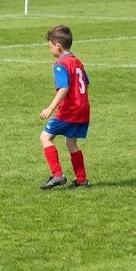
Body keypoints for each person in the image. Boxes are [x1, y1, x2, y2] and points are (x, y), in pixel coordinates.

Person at [38, 25, 91, 190]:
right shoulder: (77, 62)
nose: (50, 50)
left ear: (57, 45)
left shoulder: (60, 64)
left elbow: (64, 87)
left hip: (70, 110)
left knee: (45, 138)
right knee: (71, 143)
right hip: (83, 108)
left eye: (50, 46)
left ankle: (57, 175)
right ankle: (81, 179)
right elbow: (86, 83)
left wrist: (50, 108)